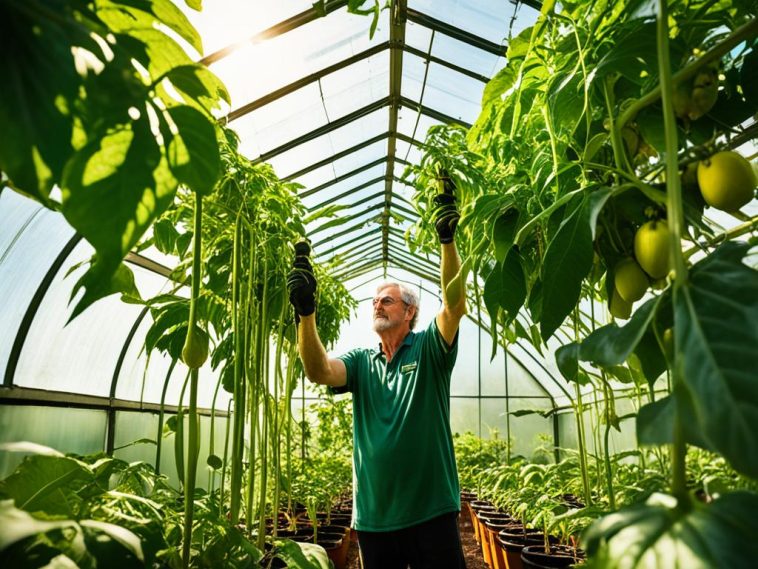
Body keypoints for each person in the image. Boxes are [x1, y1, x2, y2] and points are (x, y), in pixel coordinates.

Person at [286, 173, 467, 569]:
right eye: (374, 302)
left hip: (432, 514)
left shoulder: (430, 349)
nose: (377, 305)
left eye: (387, 300)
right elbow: (318, 370)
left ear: (410, 311)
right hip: (374, 518)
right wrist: (305, 312)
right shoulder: (360, 362)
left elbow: (454, 306)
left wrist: (447, 240)